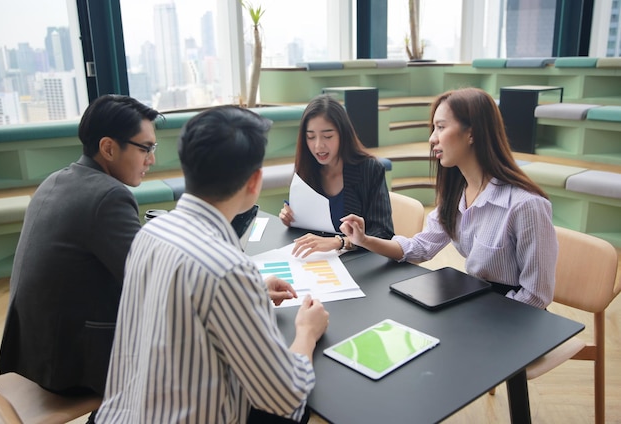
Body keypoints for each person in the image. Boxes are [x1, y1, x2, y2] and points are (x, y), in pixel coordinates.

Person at [96, 106, 329, 424]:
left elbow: (177, 303)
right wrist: (307, 333)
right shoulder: (229, 269)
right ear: (254, 181)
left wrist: (251, 293)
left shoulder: (151, 231)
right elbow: (284, 397)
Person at [0, 94, 161, 398]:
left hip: (32, 350)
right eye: (145, 148)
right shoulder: (109, 196)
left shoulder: (56, 179)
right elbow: (151, 281)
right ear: (108, 148)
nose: (151, 159)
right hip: (70, 364)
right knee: (192, 340)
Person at [340, 87, 557, 309]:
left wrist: (483, 322)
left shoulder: (526, 205)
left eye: (441, 127)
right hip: (480, 303)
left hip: (514, 315)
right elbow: (420, 247)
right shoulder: (457, 194)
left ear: (472, 133)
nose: (432, 138)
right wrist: (364, 240)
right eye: (434, 128)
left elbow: (536, 296)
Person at [279, 94, 394, 258]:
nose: (318, 145)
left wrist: (340, 241)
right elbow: (306, 222)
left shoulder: (370, 169)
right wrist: (289, 217)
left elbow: (383, 232)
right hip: (317, 260)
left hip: (358, 262)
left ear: (343, 134)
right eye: (310, 137)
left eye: (327, 136)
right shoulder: (306, 167)